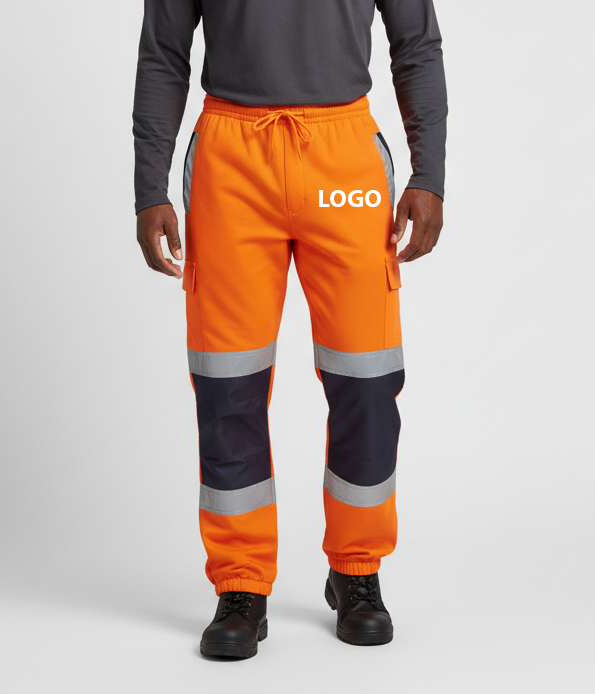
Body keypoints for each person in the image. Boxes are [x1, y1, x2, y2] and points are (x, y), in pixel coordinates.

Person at [132, 0, 447, 658]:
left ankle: (357, 569)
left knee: (366, 377)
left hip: (344, 157)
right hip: (230, 160)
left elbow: (416, 43)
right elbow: (163, 52)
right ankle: (240, 583)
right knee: (229, 383)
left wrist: (430, 175)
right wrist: (150, 188)